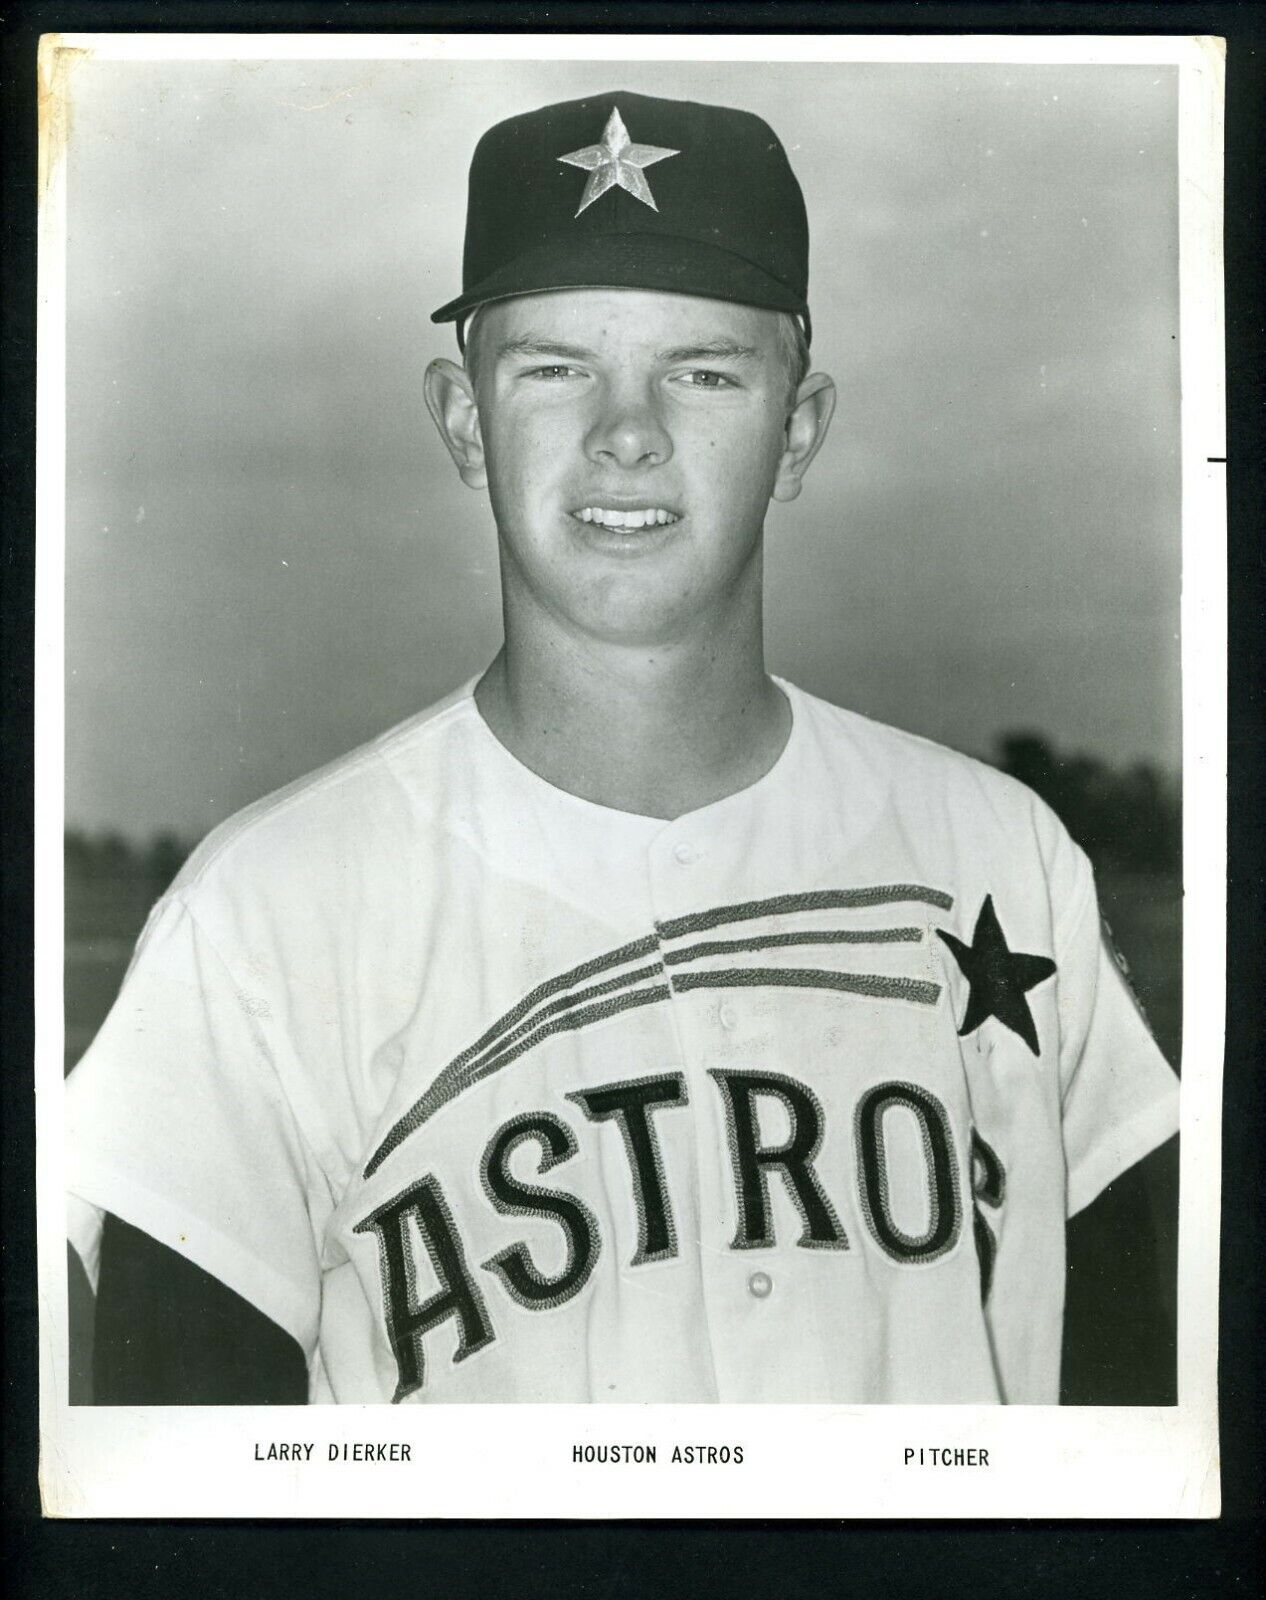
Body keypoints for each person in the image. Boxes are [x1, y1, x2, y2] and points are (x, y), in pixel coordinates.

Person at [67, 89, 1179, 1406]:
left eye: (702, 371)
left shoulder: (1001, 856)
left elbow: (1145, 1430)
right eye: (552, 368)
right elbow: (173, 1504)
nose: (626, 432)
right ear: (465, 423)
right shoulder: (261, 916)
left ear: (799, 429)